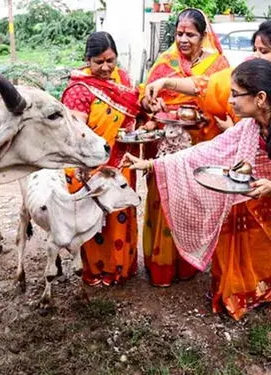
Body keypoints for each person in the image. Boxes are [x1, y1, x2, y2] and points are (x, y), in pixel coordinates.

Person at [124, 58, 271, 320]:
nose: (230, 102)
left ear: (260, 98)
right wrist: (150, 164)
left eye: (236, 95)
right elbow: (206, 152)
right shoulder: (248, 127)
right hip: (254, 198)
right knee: (236, 234)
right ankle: (244, 293)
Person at [140, 8, 230, 287]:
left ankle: (187, 264)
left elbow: (223, 99)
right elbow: (145, 96)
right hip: (168, 145)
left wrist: (206, 116)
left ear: (204, 36)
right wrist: (150, 103)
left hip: (201, 145)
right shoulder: (166, 61)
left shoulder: (218, 65)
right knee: (163, 200)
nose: (183, 39)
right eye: (179, 33)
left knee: (192, 203)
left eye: (190, 34)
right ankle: (161, 266)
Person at [60, 31, 144, 286]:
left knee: (120, 217)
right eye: (99, 62)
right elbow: (75, 135)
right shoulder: (79, 90)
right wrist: (86, 165)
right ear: (88, 60)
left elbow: (135, 110)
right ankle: (97, 271)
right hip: (89, 168)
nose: (106, 67)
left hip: (121, 161)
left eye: (111, 60)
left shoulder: (124, 79)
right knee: (94, 222)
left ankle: (122, 269)